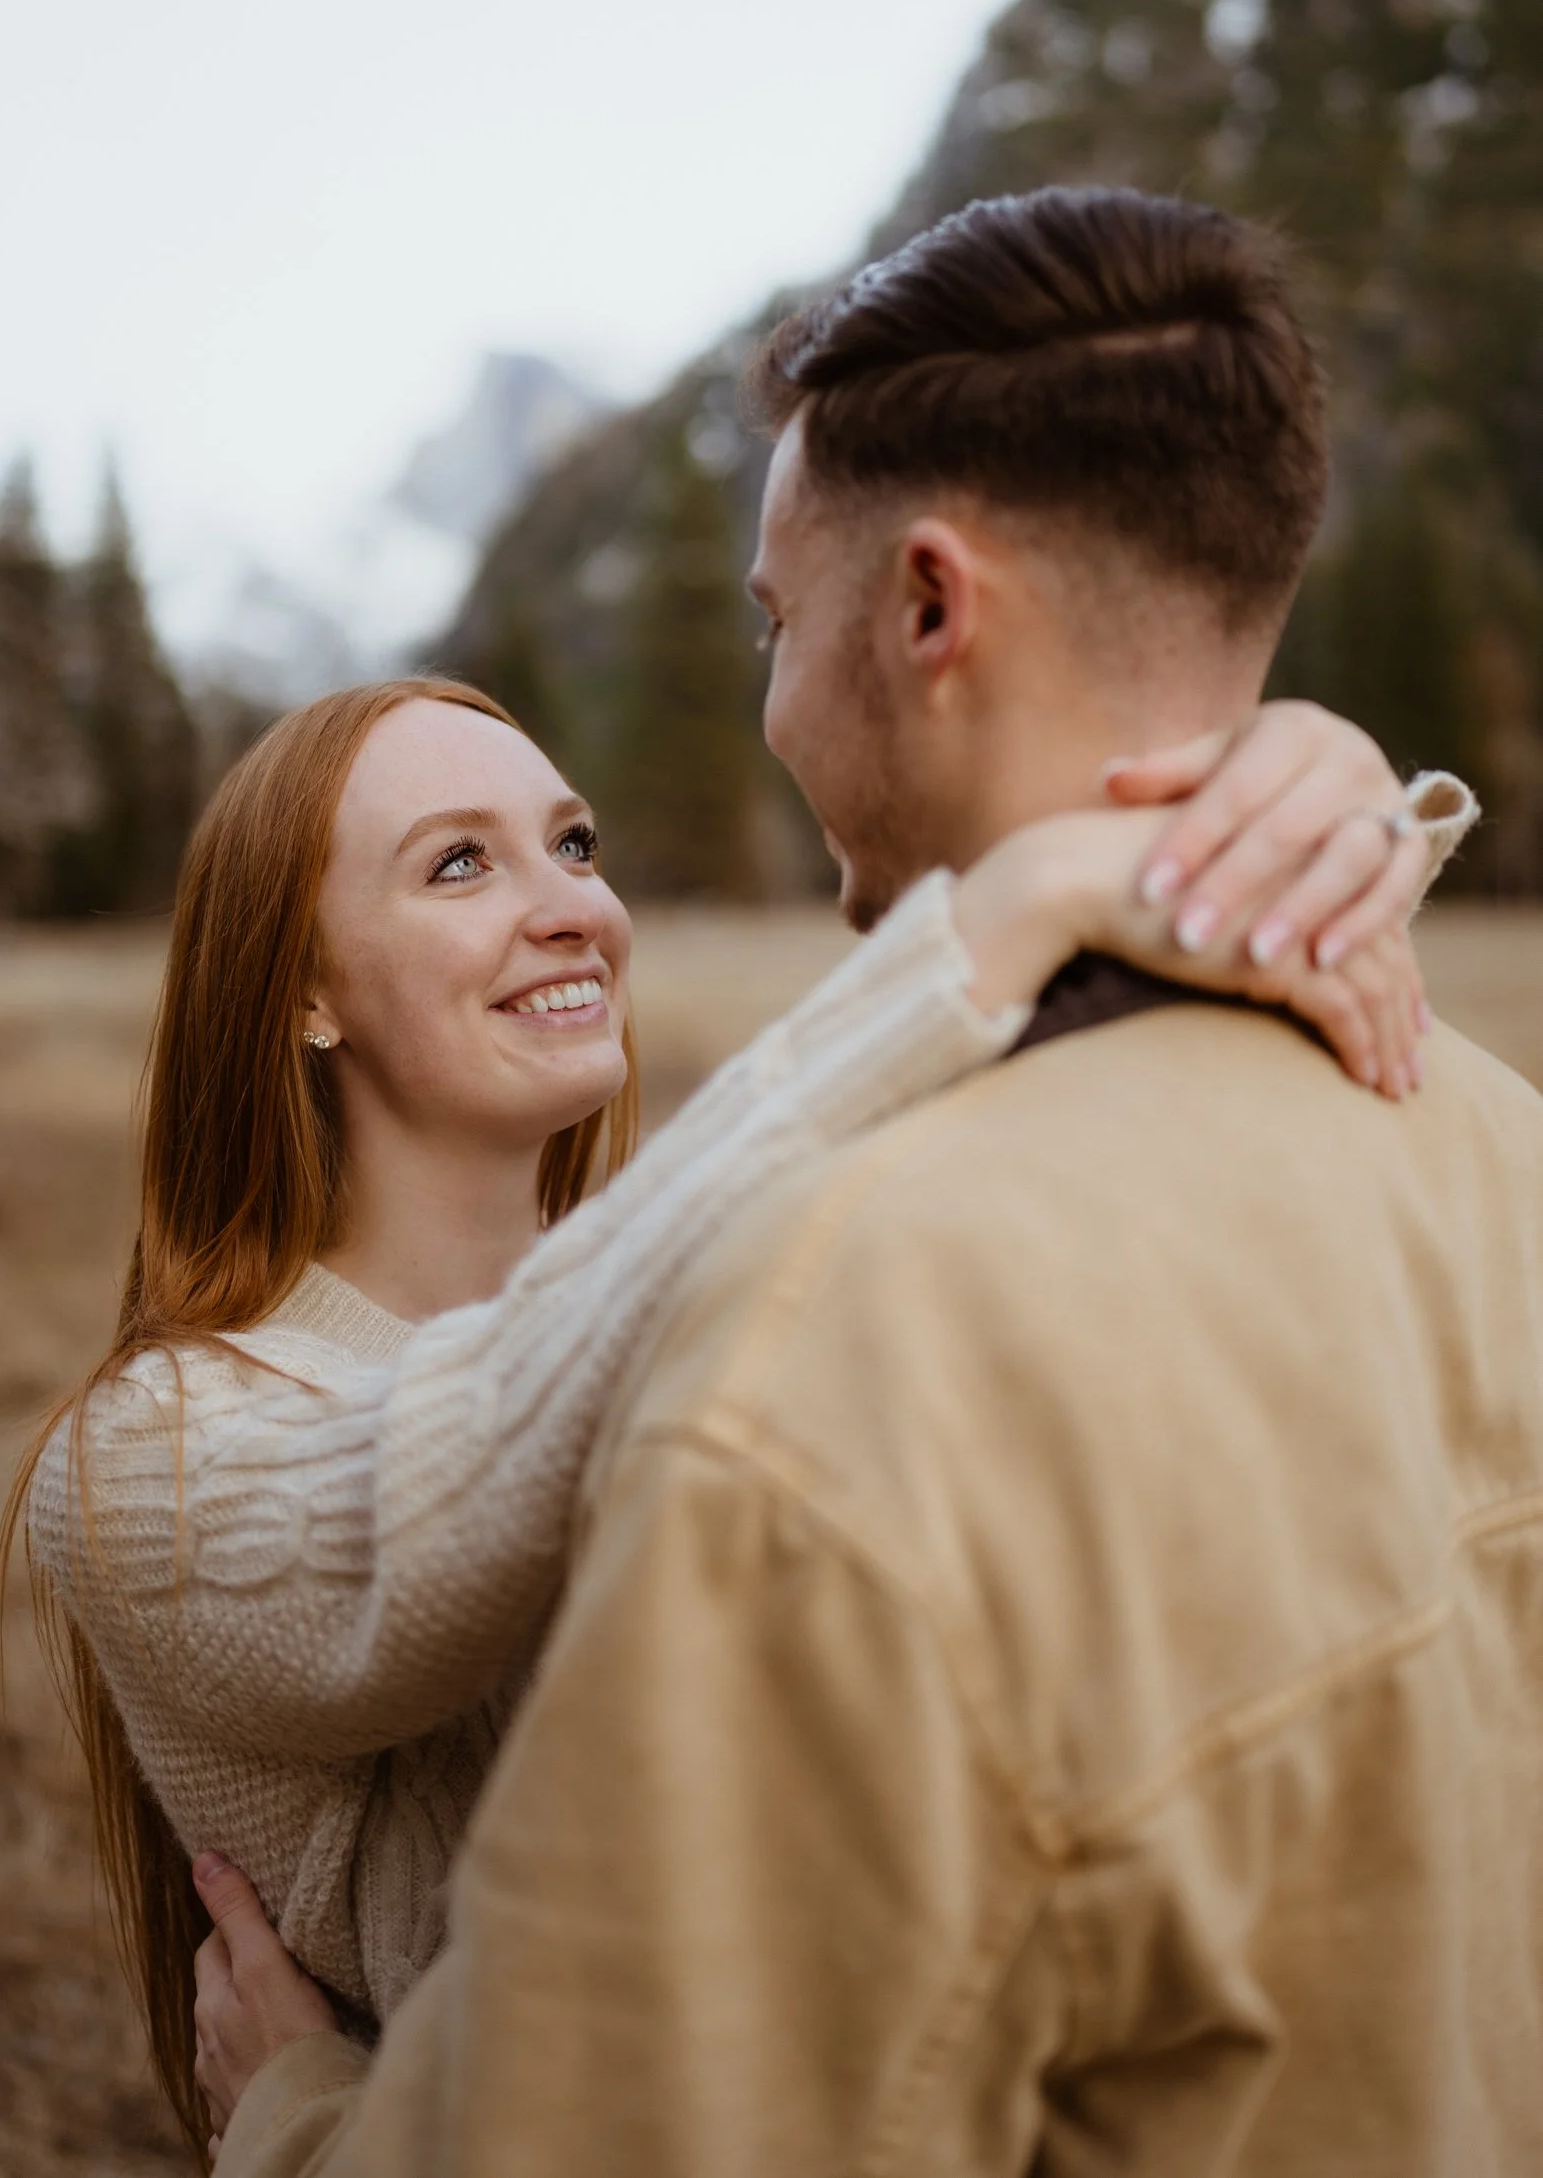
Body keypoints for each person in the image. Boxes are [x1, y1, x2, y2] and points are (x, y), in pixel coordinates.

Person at [184, 190, 1541, 2177]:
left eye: (773, 616)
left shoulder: (844, 1335)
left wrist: (299, 2117)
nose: (770, 693)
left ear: (925, 607)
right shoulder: (1497, 1137)